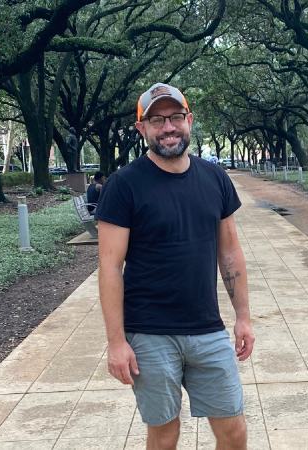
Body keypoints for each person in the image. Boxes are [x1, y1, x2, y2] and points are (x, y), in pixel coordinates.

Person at [95, 82, 254, 450]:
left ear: (189, 120)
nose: (168, 127)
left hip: (207, 329)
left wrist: (243, 316)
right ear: (142, 129)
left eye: (176, 117)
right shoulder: (124, 185)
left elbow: (229, 253)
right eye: (157, 120)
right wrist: (116, 342)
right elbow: (109, 267)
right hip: (149, 334)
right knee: (165, 435)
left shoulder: (215, 178)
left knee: (234, 430)